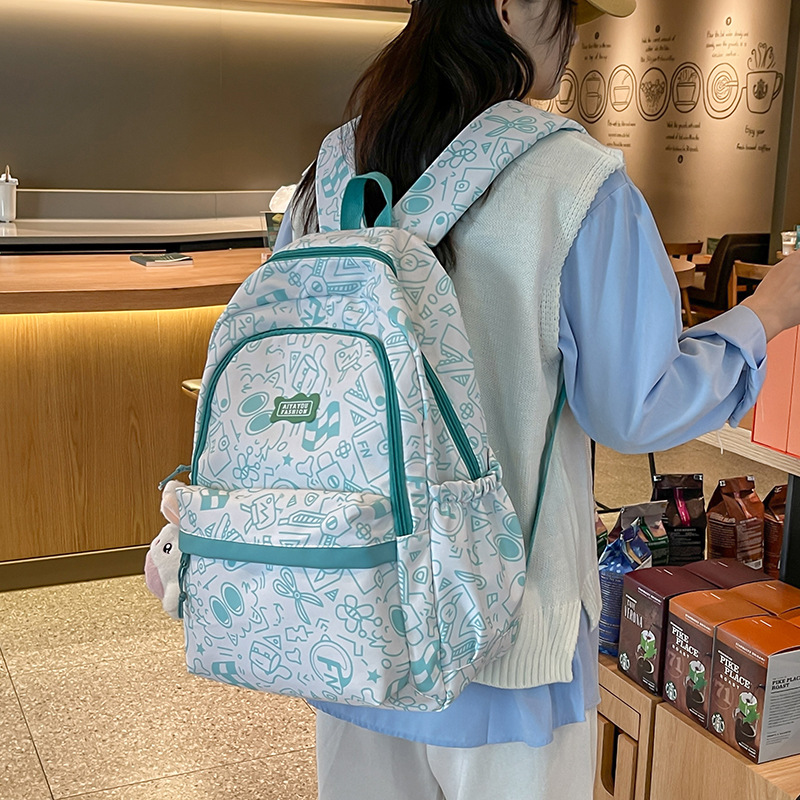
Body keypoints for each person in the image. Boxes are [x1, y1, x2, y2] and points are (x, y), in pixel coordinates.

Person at [274, 0, 800, 797]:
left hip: (355, 611)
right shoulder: (574, 180)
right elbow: (634, 407)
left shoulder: (334, 169)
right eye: (569, 9)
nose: (578, 34)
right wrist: (767, 314)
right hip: (507, 632)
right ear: (509, 5)